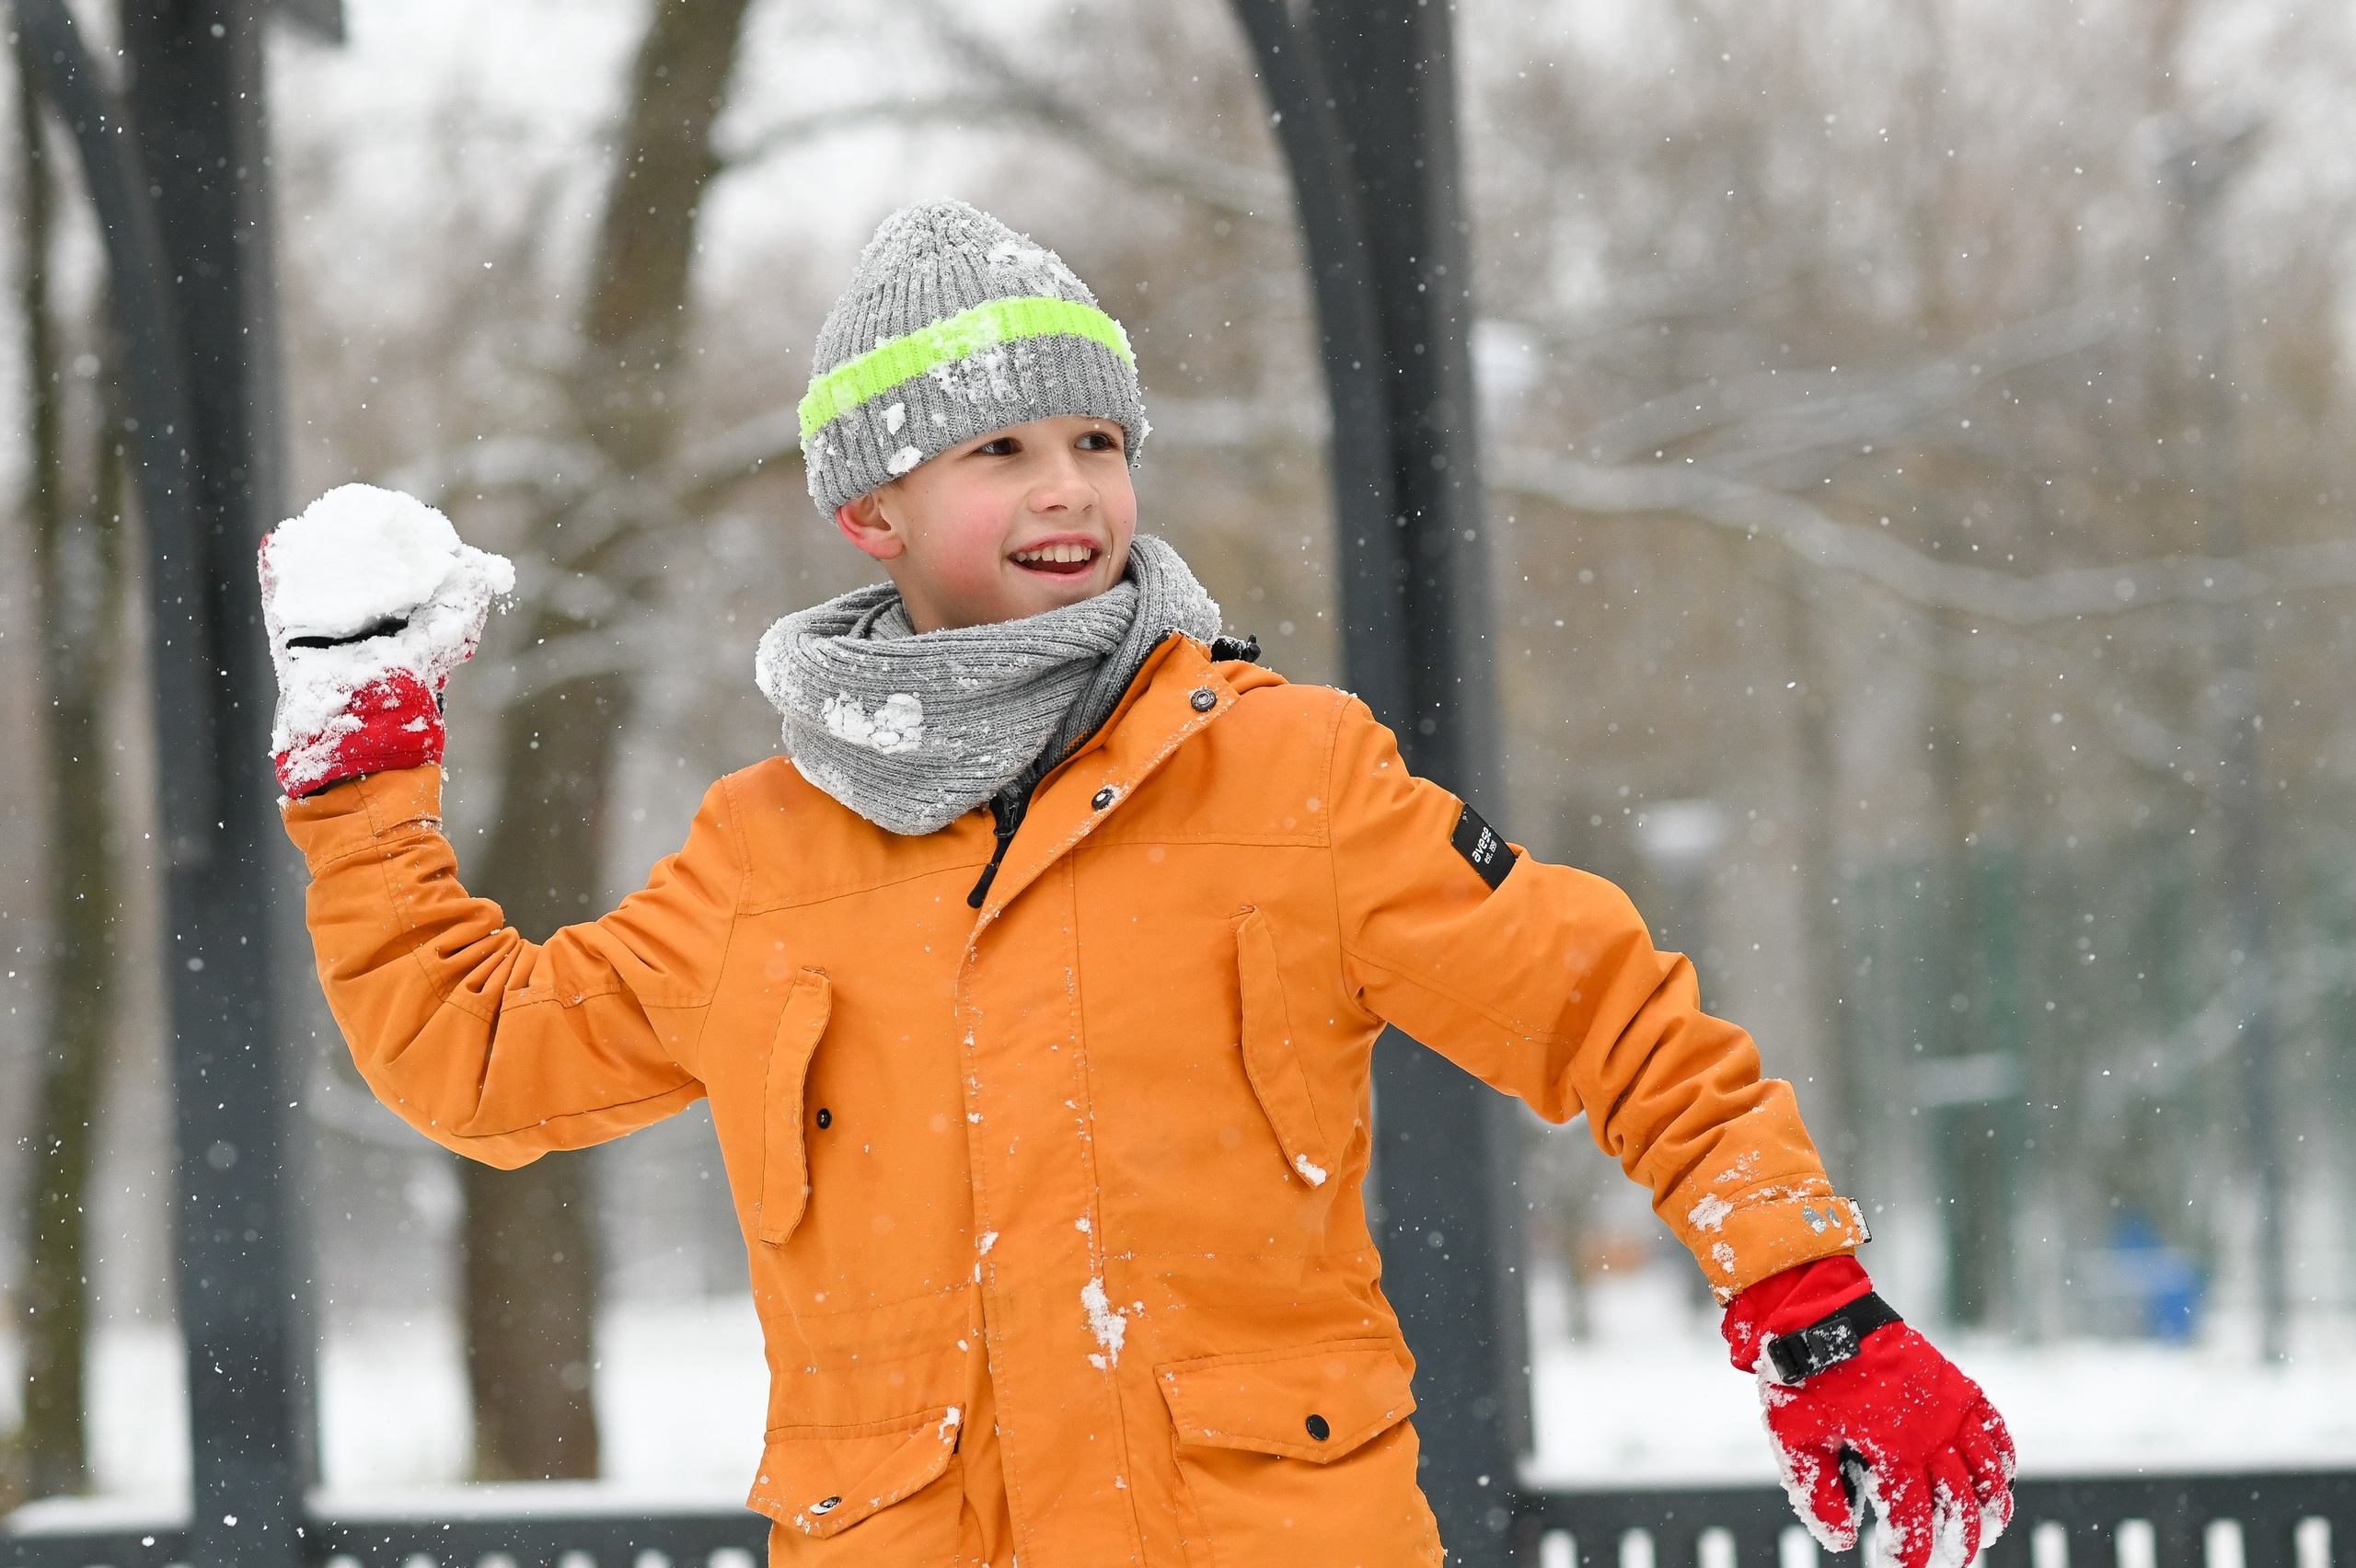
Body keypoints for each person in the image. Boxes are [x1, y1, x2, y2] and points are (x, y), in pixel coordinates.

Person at [264, 199, 2014, 1568]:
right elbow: (484, 1064)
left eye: (1099, 443)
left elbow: (1606, 1017)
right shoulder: (766, 857)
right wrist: (362, 782)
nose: (1070, 490)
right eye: (1002, 451)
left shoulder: (1290, 777)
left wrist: (1807, 1295)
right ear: (869, 511)